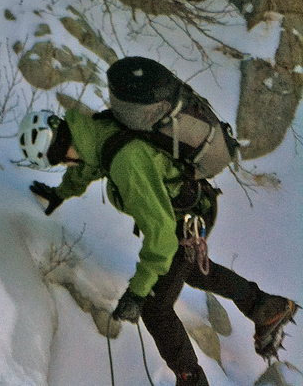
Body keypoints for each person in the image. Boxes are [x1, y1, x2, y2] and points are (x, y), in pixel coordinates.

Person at [17, 102, 298, 386]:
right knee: (186, 270)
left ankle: (192, 380)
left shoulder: (125, 162)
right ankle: (265, 306)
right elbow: (86, 167)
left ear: (61, 150)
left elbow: (162, 237)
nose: (64, 165)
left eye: (59, 161)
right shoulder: (94, 135)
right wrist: (59, 193)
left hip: (185, 219)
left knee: (156, 308)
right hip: (189, 206)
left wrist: (137, 293)